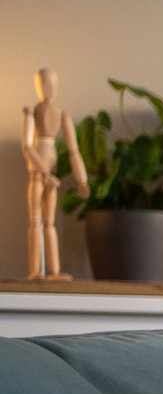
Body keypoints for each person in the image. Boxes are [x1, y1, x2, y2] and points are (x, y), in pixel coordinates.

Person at [21, 68, 86, 281]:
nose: (48, 88)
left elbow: (73, 150)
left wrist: (81, 179)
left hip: (51, 175)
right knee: (35, 221)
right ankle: (35, 270)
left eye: (51, 84)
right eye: (44, 84)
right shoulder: (32, 112)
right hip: (38, 175)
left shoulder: (62, 115)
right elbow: (27, 147)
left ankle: (54, 271)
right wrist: (45, 172)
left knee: (49, 223)